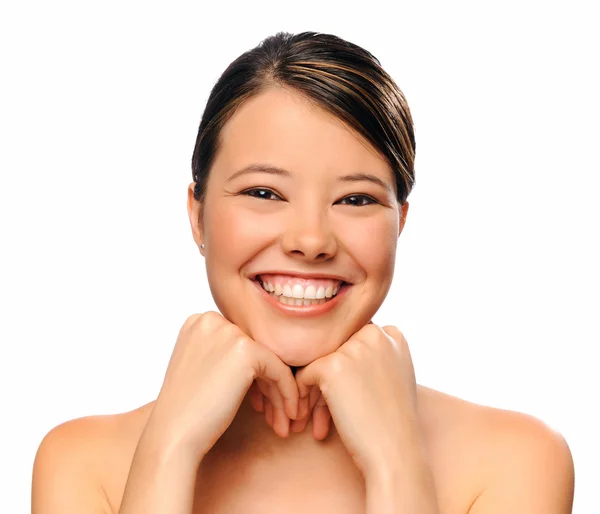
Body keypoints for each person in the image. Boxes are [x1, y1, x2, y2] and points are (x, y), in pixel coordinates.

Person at [31, 31, 574, 513]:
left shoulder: (516, 460)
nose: (311, 240)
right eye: (264, 192)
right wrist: (168, 449)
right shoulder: (82, 463)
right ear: (197, 215)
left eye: (356, 199)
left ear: (400, 222)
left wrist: (396, 464)